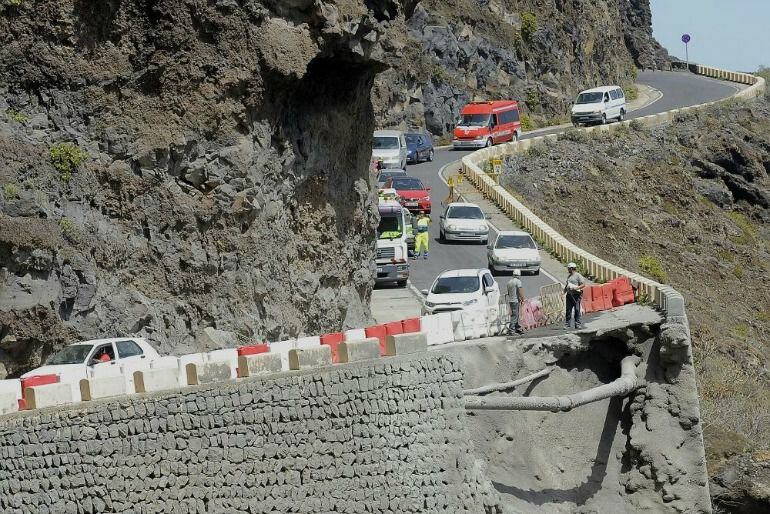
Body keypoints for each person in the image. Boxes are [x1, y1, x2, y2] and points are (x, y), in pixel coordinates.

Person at [564, 262, 586, 329]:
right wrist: (564, 292)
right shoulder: (569, 276)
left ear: (571, 268)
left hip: (576, 296)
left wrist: (576, 288)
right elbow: (567, 285)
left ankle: (577, 324)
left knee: (577, 310)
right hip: (569, 295)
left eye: (568, 268)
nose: (568, 269)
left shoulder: (578, 276)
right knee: (568, 310)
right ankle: (567, 324)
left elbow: (583, 284)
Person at [506, 270, 525, 335]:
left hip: (511, 300)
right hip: (515, 301)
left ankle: (517, 328)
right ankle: (511, 330)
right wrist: (522, 298)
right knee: (515, 315)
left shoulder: (509, 282)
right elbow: (520, 290)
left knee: (515, 314)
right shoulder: (518, 281)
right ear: (519, 275)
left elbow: (508, 292)